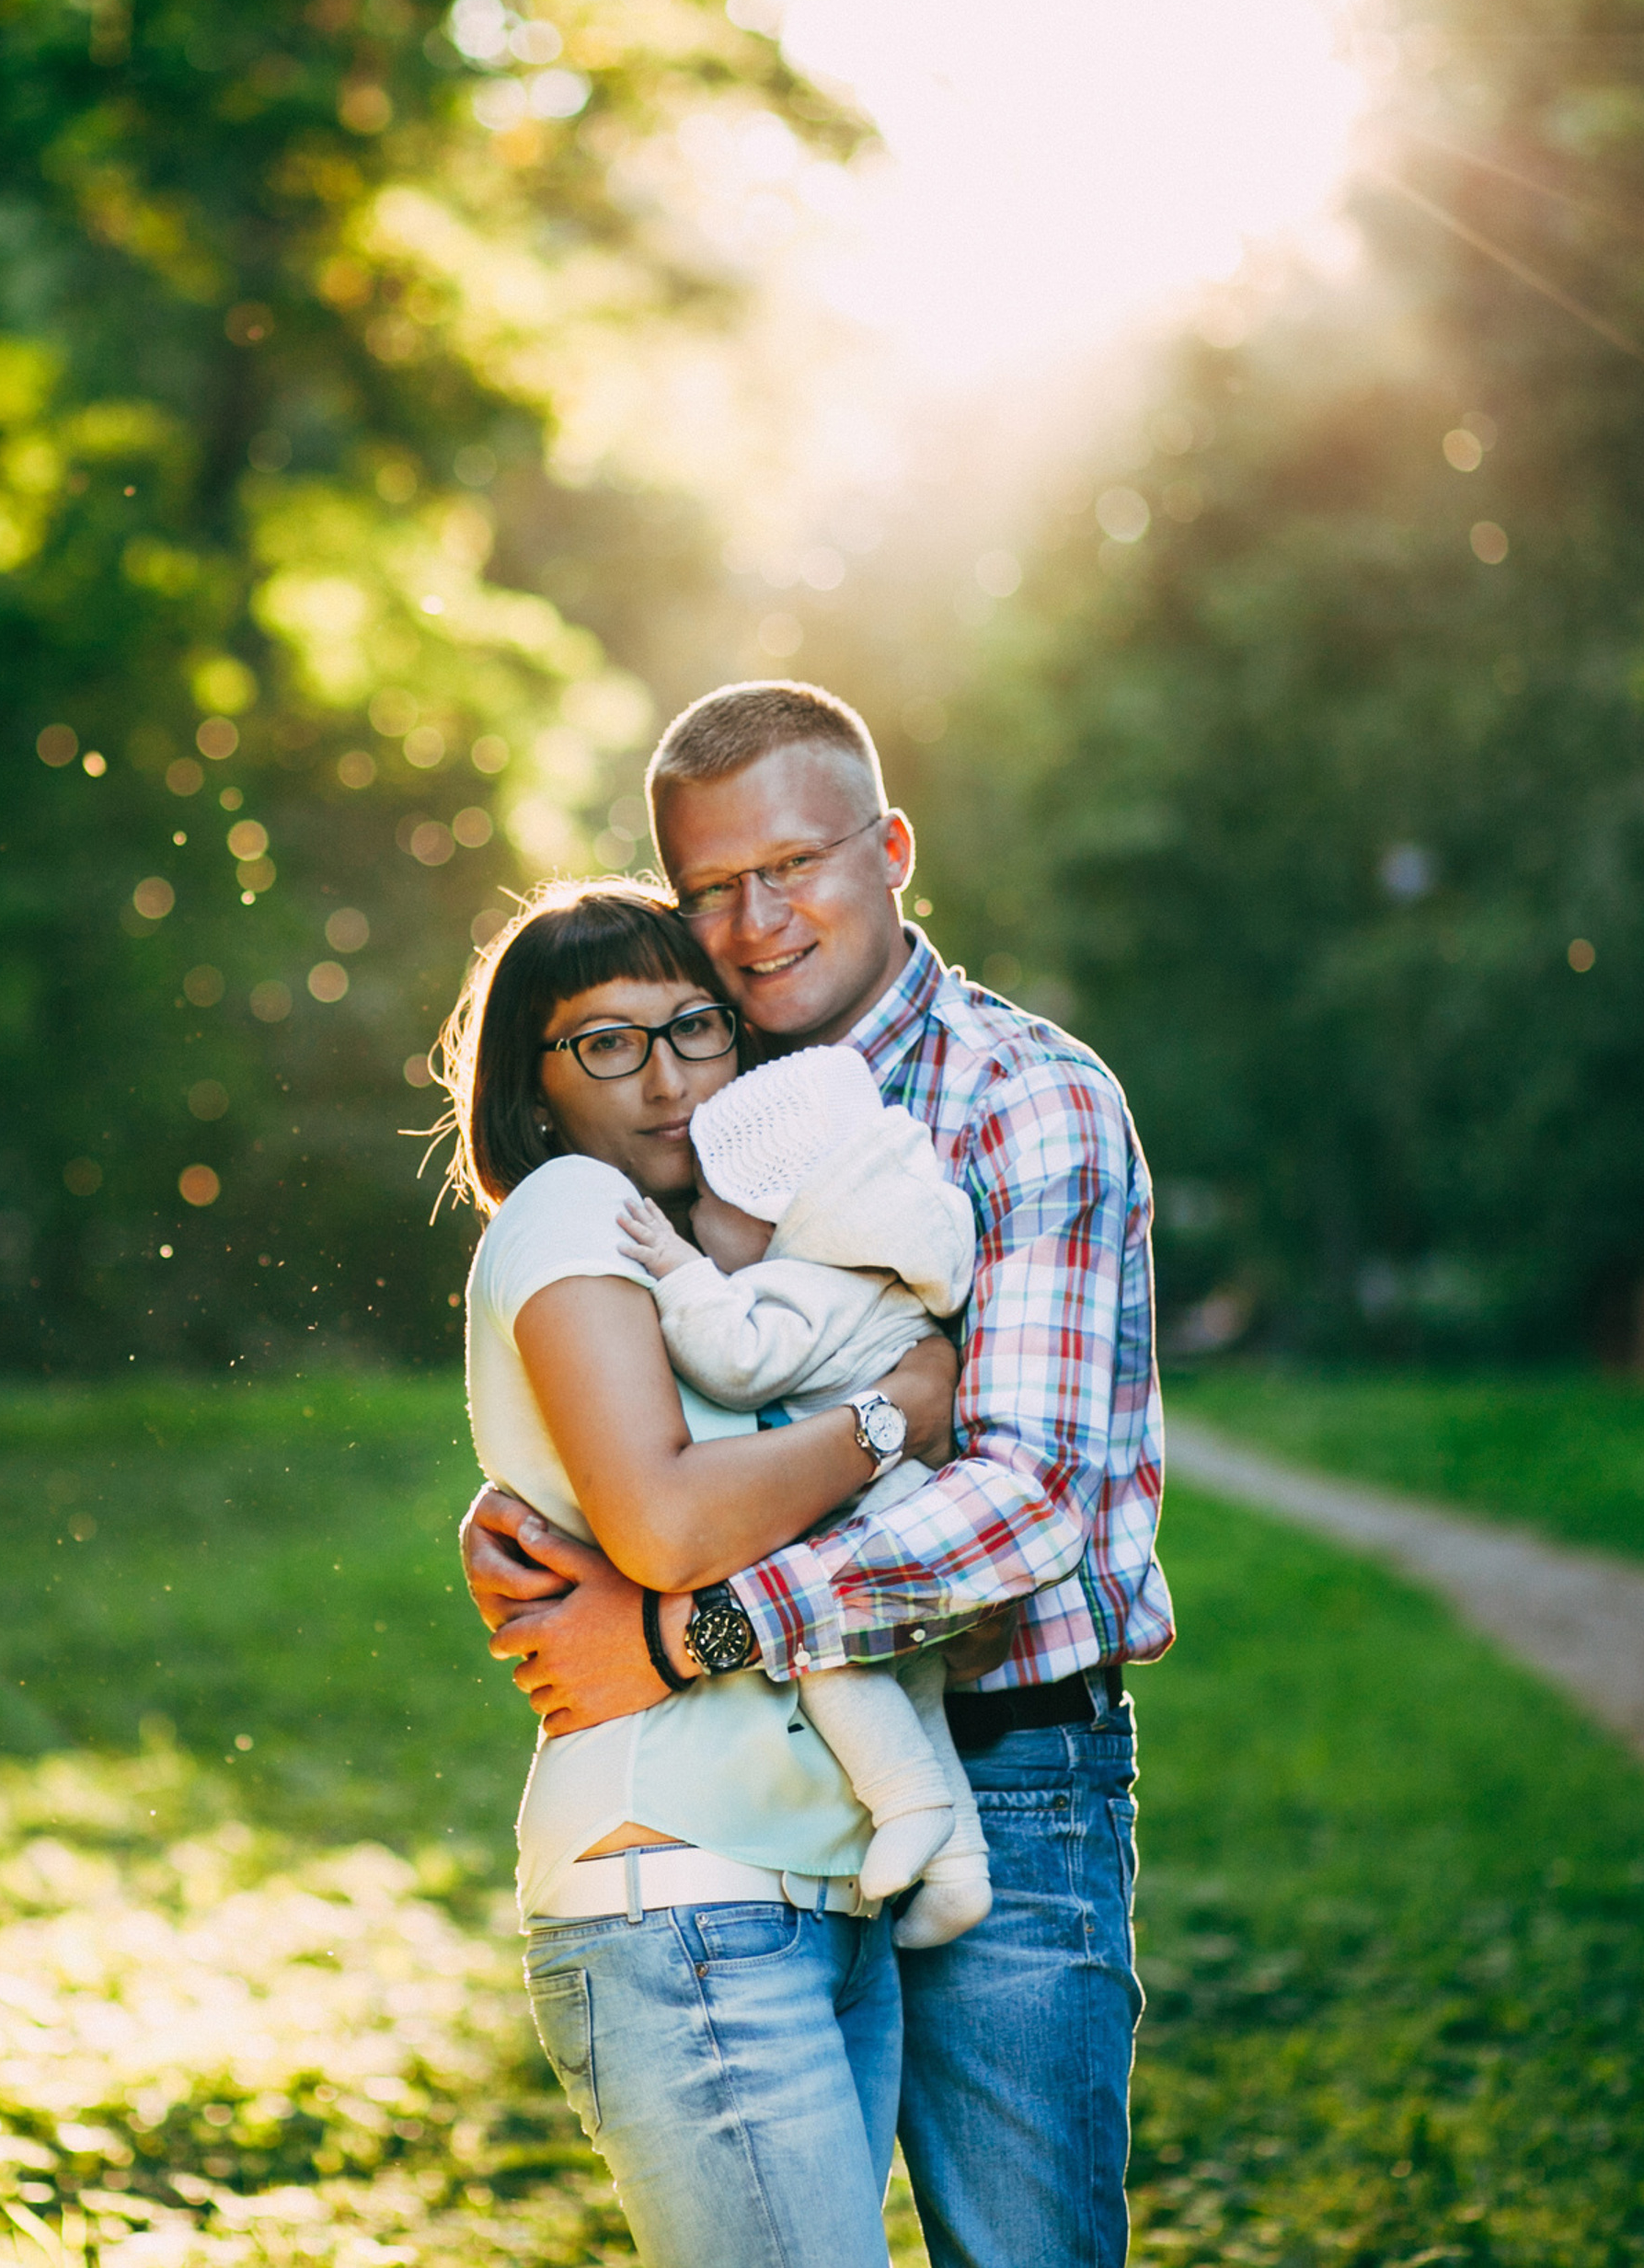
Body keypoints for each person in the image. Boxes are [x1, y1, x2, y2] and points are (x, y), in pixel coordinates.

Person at [464, 680, 1172, 2268]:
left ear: (894, 847)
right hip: (763, 1803)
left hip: (1007, 1770)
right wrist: (535, 1505)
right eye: (712, 885)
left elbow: (1031, 1498)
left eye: (795, 865)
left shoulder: (1023, 1098)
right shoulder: (696, 1099)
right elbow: (650, 1394)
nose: (758, 921)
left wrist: (686, 1630)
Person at [442, 879, 992, 2268]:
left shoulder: (718, 1256)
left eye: (693, 1027)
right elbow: (674, 1530)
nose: (668, 1077)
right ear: (533, 1089)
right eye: (607, 1043)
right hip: (680, 1896)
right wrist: (890, 1420)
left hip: (815, 1897)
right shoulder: (575, 1204)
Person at [615, 1040, 992, 1950]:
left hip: (872, 1521)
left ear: (770, 1211)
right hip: (913, 1509)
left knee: (824, 1653)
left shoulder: (807, 1283)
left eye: (708, 1200)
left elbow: (740, 1362)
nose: (696, 1213)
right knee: (913, 1697)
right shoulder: (873, 1271)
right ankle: (960, 1869)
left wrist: (674, 1271)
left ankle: (904, 1805)